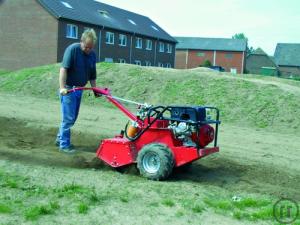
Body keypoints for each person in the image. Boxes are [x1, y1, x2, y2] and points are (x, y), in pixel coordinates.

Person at [56, 29, 98, 153]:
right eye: (86, 47)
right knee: (68, 119)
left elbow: (92, 75)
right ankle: (64, 146)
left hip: (79, 90)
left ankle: (60, 139)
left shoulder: (92, 55)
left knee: (72, 118)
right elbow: (63, 69)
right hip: (69, 89)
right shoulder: (73, 50)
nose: (88, 50)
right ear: (81, 42)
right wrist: (62, 87)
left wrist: (95, 89)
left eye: (91, 47)